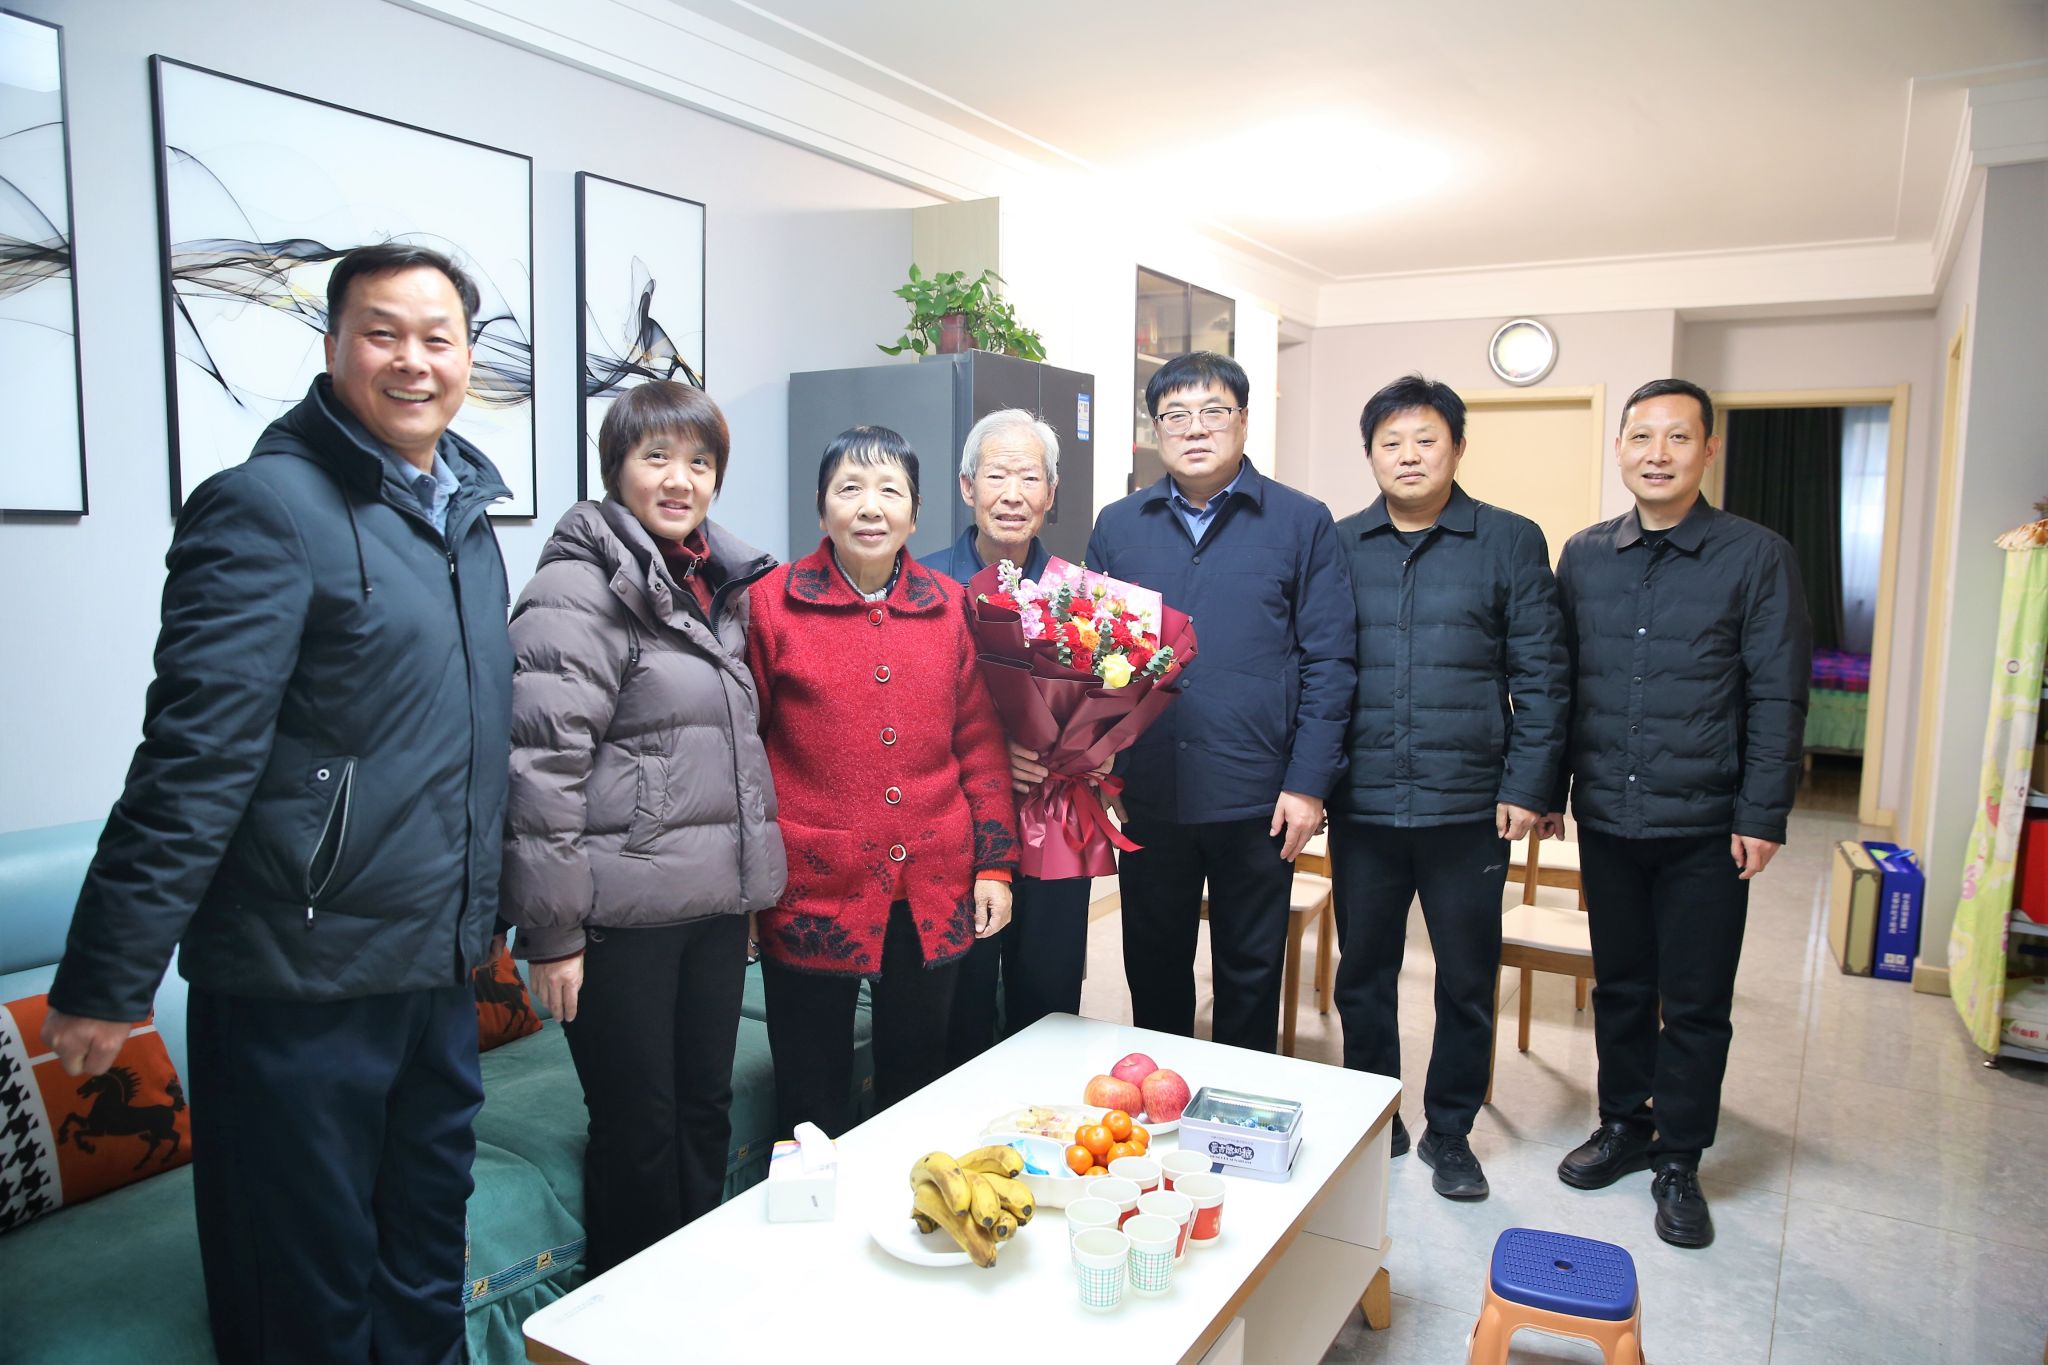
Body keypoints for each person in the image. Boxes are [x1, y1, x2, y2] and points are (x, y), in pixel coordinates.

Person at [41, 244, 514, 1364]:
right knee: (301, 1299)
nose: (412, 360)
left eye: (437, 338)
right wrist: (108, 977)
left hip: (433, 973)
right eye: (382, 333)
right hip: (297, 984)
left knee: (423, 1272)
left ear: (467, 361)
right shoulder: (263, 507)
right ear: (334, 346)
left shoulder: (462, 518)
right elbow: (193, 754)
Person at [500, 381, 783, 1274]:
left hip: (709, 909)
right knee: (639, 1128)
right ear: (616, 467)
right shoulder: (576, 587)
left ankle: (690, 1293)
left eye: (699, 461)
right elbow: (539, 765)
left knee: (704, 1110)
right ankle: (622, 1316)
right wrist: (552, 932)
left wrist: (746, 894)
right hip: (618, 919)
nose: (679, 479)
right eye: (656, 457)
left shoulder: (714, 583)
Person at [1544, 377, 1810, 1249]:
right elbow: (1561, 682)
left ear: (1708, 449)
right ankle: (1625, 1124)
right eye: (1641, 436)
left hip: (1707, 823)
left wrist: (1762, 813)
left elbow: (1778, 693)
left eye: (1678, 437)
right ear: (1620, 448)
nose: (1657, 454)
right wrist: (1550, 790)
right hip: (1609, 815)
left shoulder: (1757, 555)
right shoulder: (1585, 555)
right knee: (1620, 985)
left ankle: (1680, 1157)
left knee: (1695, 1000)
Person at [1328, 375, 1570, 1200]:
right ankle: (1376, 1116)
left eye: (1426, 439)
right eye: (1390, 442)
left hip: (1469, 806)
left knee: (1466, 977)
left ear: (1458, 448)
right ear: (1370, 454)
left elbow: (1542, 675)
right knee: (1363, 971)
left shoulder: (1509, 540)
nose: (1408, 455)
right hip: (1363, 803)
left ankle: (1451, 1129)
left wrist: (1529, 784)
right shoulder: (1339, 543)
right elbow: (1317, 667)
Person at [746, 426, 1020, 1137]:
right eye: (850, 488)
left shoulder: (949, 606)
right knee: (809, 1097)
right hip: (810, 884)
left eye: (890, 490)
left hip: (931, 878)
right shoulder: (772, 605)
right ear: (821, 507)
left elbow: (980, 745)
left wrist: (994, 864)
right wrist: (746, 884)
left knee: (919, 1080)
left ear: (916, 513)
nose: (870, 506)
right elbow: (744, 752)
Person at [1085, 352, 1356, 1053]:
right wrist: (1102, 767)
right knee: (1154, 967)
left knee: (1250, 974)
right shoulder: (1118, 525)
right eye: (1175, 415)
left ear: (1243, 420)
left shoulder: (1301, 521)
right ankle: (1160, 1097)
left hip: (1258, 796)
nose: (1194, 428)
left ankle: (1241, 1103)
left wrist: (1308, 784)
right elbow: (1092, 662)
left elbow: (1330, 662)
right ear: (1155, 430)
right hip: (1150, 791)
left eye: (1213, 411)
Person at [924, 409, 1097, 1065]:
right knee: (958, 1004)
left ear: (1051, 492)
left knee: (1049, 1001)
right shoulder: (924, 586)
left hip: (1056, 821)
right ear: (968, 486)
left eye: (1029, 477)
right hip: (959, 825)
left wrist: (1087, 748)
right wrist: (994, 754)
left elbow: (1108, 711)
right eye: (997, 475)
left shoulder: (1080, 596)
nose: (1013, 494)